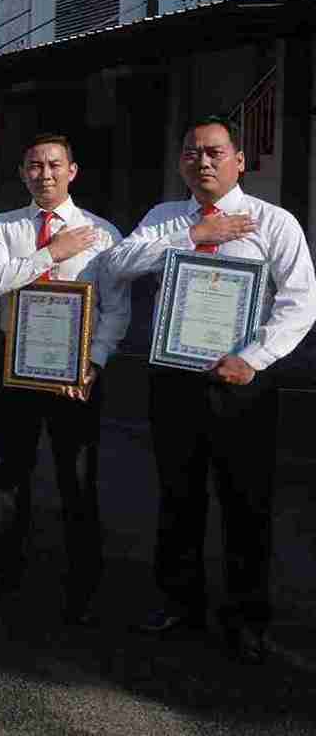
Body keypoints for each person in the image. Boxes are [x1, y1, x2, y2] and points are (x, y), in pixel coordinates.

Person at [103, 115, 316, 664]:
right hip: (174, 380)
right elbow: (117, 264)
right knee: (179, 497)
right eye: (193, 153)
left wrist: (253, 358)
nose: (204, 162)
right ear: (180, 162)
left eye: (215, 152)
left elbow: (299, 302)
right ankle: (178, 601)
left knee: (246, 503)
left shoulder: (274, 222)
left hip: (240, 384)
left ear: (239, 160)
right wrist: (191, 236)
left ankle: (247, 616)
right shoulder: (164, 217)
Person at [0, 133, 129, 623]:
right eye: (35, 166)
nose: (45, 174)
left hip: (75, 377)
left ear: (73, 170)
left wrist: (95, 363)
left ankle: (83, 588)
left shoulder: (103, 233)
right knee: (10, 476)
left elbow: (116, 310)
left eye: (54, 165)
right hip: (13, 371)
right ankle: (4, 576)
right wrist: (52, 253)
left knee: (77, 482)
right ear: (23, 172)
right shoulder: (4, 226)